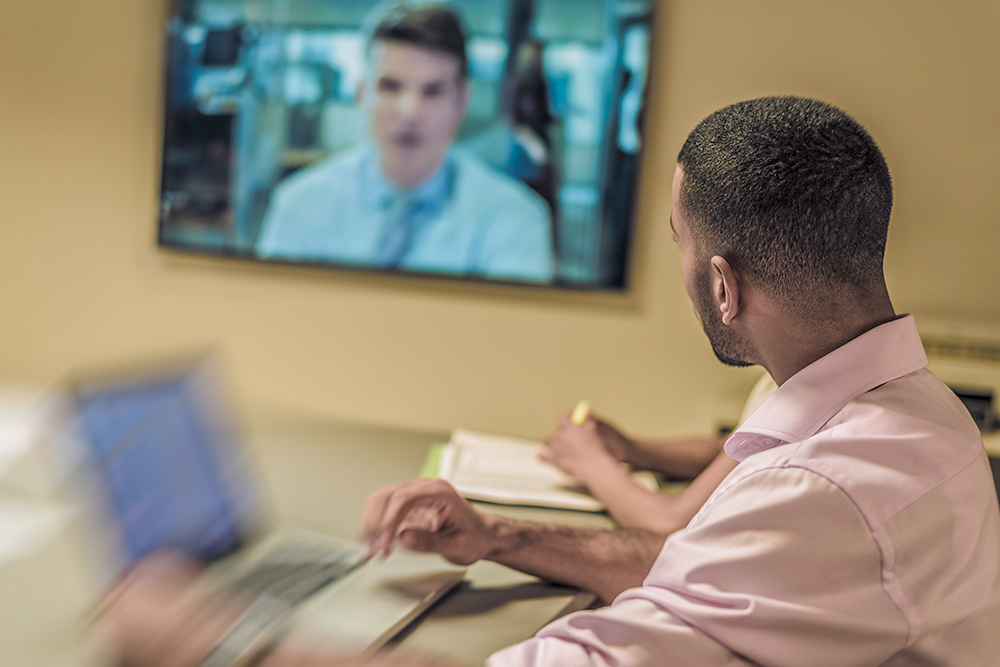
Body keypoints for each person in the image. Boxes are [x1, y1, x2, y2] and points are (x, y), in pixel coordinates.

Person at [95, 96, 1000, 666]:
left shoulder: (825, 489)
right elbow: (707, 564)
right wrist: (500, 535)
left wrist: (213, 636)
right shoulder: (910, 412)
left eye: (680, 245)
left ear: (723, 285)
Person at [256, 3, 555, 283]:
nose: (410, 112)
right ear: (362, 94)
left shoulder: (513, 219)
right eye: (390, 87)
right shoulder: (302, 205)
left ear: (461, 101)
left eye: (432, 91)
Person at [541, 373, 775, 535]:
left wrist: (590, 463)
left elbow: (670, 525)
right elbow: (727, 448)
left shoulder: (789, 391)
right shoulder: (772, 380)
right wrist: (628, 448)